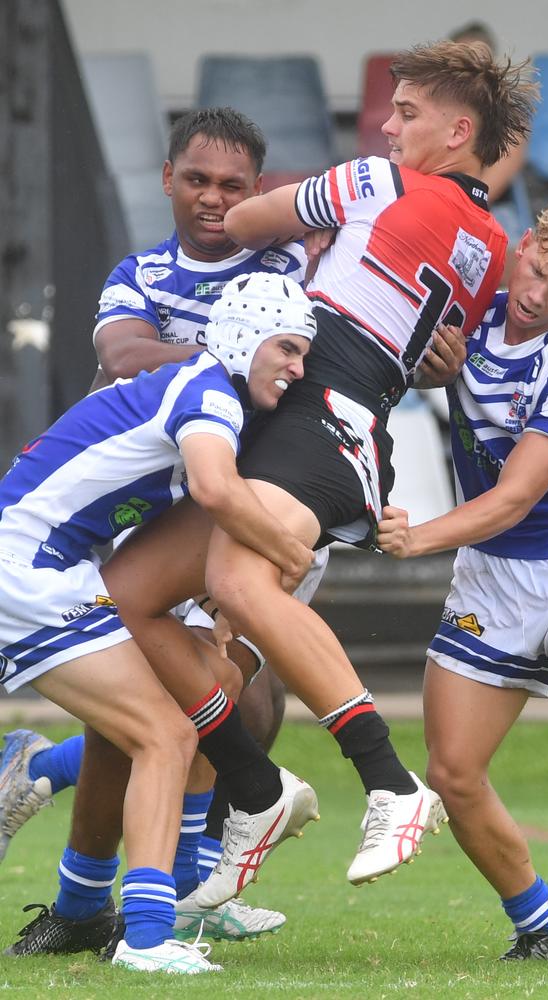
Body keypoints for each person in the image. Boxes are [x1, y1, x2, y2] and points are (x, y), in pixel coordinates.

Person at [98, 37, 538, 911]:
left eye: (407, 114)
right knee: (132, 588)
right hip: (340, 413)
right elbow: (425, 353)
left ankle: (387, 780)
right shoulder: (490, 243)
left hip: (318, 406)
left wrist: (305, 213)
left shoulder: (379, 182)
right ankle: (255, 788)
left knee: (233, 576)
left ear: (457, 130)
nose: (387, 124)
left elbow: (250, 223)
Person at [0, 107, 329, 946]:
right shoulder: (145, 280)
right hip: (130, 524)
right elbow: (121, 355)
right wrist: (231, 349)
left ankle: (168, 894)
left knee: (235, 709)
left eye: (233, 187)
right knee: (173, 714)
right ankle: (110, 909)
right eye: (197, 181)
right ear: (166, 179)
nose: (214, 200)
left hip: (205, 503)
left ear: (256, 193)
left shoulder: (287, 263)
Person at [377, 193, 548, 961]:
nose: (536, 293)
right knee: (452, 773)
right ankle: (540, 930)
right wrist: (430, 369)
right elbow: (416, 367)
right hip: (491, 580)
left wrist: (418, 538)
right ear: (524, 244)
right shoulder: (474, 304)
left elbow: (514, 498)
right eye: (536, 268)